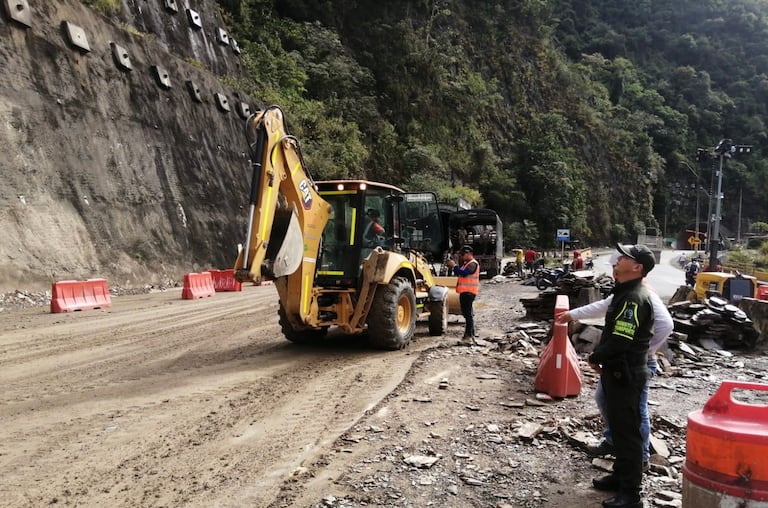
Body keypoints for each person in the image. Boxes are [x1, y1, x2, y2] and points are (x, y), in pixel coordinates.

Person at [556, 274, 673, 472]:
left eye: (619, 265)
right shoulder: (623, 293)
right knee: (604, 398)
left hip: (635, 363)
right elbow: (600, 306)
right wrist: (572, 315)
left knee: (636, 411)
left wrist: (646, 349)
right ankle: (613, 442)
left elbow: (666, 325)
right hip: (619, 362)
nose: (615, 270)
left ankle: (640, 458)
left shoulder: (640, 295)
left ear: (637, 270)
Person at [578, 243, 655, 508]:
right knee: (620, 430)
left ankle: (631, 494)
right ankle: (620, 476)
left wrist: (595, 356)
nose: (617, 260)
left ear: (637, 267)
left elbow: (621, 339)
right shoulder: (624, 292)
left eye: (624, 257)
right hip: (617, 372)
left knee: (628, 433)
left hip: (627, 374)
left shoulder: (634, 297)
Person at [445, 245, 479, 344]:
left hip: (469, 292)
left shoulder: (472, 264)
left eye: (463, 254)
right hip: (465, 292)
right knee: (466, 314)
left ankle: (468, 336)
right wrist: (453, 267)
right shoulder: (466, 263)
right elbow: (460, 273)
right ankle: (470, 334)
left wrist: (454, 265)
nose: (462, 256)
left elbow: (463, 273)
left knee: (468, 314)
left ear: (469, 254)